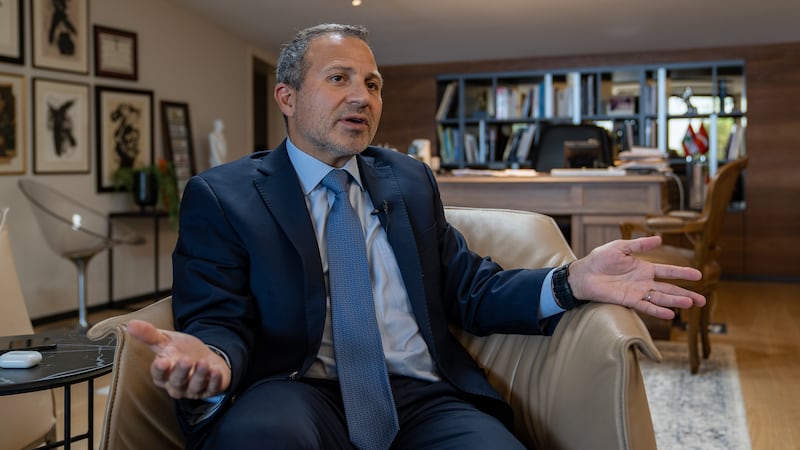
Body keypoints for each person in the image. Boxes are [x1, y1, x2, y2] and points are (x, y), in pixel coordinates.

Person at [127, 23, 705, 450]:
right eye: (339, 79)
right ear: (287, 96)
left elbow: (469, 289)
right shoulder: (223, 195)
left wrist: (571, 280)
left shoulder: (407, 179)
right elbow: (217, 319)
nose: (363, 96)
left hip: (419, 393)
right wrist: (213, 358)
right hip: (295, 389)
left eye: (373, 84)